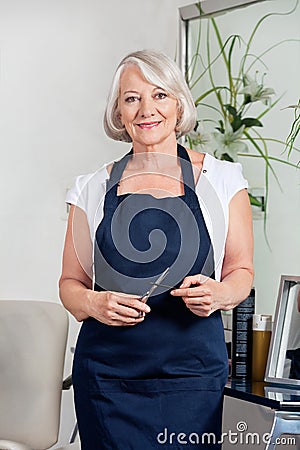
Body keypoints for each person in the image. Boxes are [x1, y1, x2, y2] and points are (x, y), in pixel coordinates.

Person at [59, 49, 254, 449]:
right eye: (132, 98)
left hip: (194, 378)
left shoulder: (222, 180)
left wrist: (219, 294)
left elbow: (242, 274)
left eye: (160, 95)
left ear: (179, 103)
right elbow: (70, 286)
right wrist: (95, 305)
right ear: (119, 112)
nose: (147, 109)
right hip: (109, 380)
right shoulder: (91, 188)